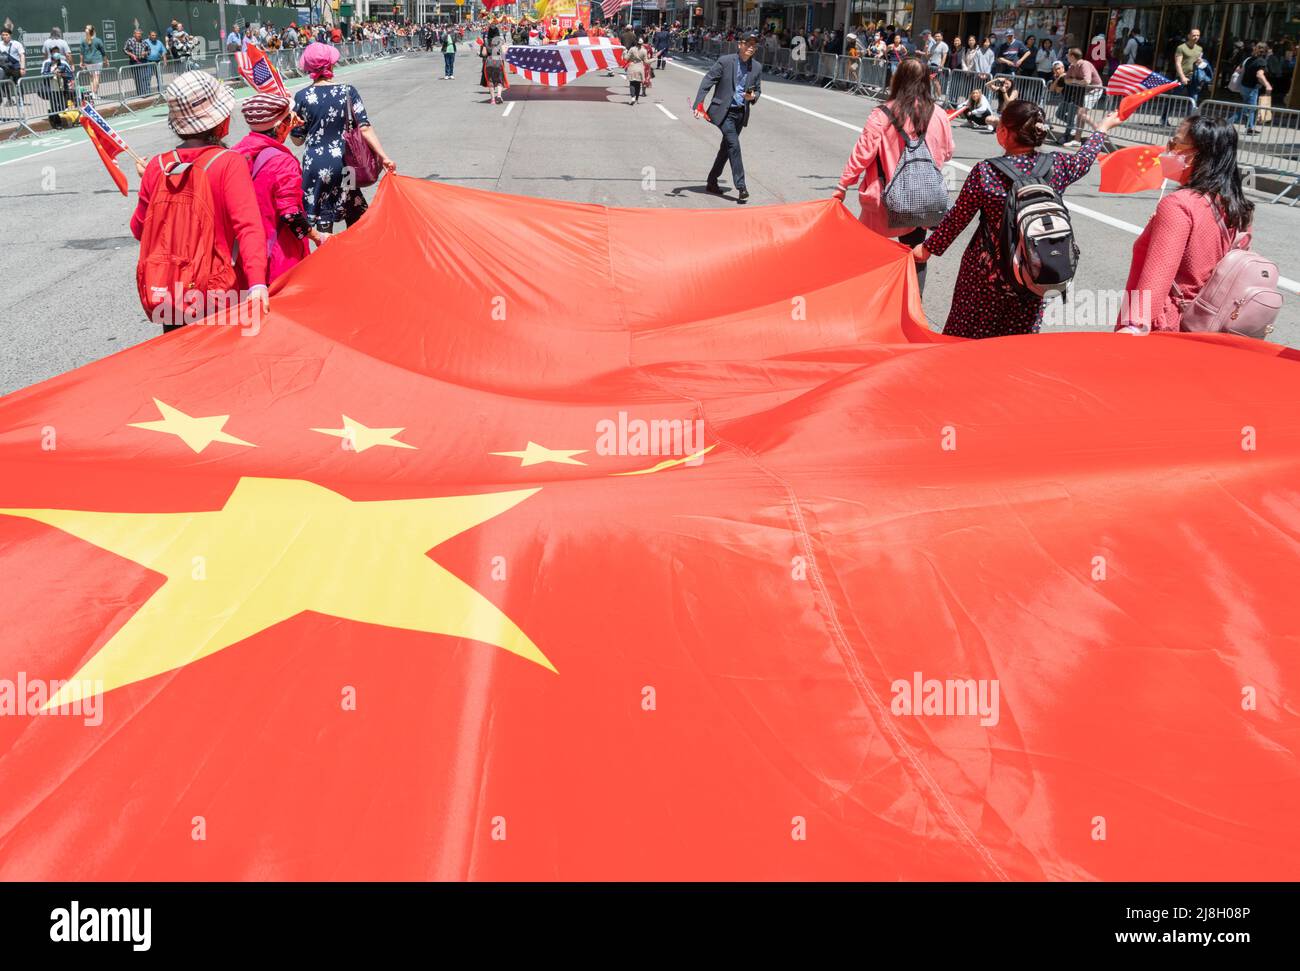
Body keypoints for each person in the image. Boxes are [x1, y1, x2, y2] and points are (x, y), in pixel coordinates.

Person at [913, 100, 1122, 338]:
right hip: (1032, 274)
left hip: (985, 278)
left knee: (967, 342)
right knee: (1015, 346)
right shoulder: (1058, 165)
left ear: (1003, 132)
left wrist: (927, 249)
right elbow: (1084, 159)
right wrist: (1103, 128)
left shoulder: (986, 173)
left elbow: (956, 220)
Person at [130, 71, 267, 331]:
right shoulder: (229, 163)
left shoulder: (157, 166)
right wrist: (258, 283)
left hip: (171, 293)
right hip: (220, 290)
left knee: (182, 364)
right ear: (222, 122)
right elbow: (248, 227)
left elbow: (139, 229)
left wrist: (150, 180)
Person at [1116, 116, 1256, 334]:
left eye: (1174, 143)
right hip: (1210, 326)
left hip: (1166, 325)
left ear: (1196, 153)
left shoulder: (1179, 205)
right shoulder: (1238, 208)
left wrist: (1134, 326)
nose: (1167, 150)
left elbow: (1158, 274)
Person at [832, 56, 953, 294]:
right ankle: (911, 304)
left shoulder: (883, 114)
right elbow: (948, 152)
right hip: (922, 198)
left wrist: (843, 185)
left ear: (897, 80)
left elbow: (862, 153)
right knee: (916, 254)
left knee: (871, 252)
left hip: (884, 199)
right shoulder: (938, 113)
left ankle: (872, 299)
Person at [291, 43, 396, 233]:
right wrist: (384, 156)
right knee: (353, 215)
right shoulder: (348, 92)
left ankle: (327, 258)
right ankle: (351, 258)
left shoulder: (301, 97)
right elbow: (364, 128)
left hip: (315, 166)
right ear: (331, 65)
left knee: (323, 222)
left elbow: (297, 140)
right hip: (346, 164)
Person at [233, 93, 328, 285]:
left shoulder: (236, 152)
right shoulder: (282, 162)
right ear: (280, 127)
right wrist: (318, 236)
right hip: (279, 257)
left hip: (246, 254)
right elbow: (290, 214)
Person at [692, 30, 763, 203]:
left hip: (740, 112)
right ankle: (741, 187)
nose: (750, 48)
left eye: (754, 45)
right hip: (723, 112)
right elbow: (708, 80)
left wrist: (752, 96)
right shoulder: (725, 61)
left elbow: (758, 90)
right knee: (734, 145)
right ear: (740, 44)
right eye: (748, 44)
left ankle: (712, 181)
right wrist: (699, 104)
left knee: (726, 148)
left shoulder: (757, 67)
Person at [1058, 47, 1101, 147]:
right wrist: (1076, 81)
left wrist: (1074, 80)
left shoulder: (1084, 64)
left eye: (1068, 55)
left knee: (1081, 113)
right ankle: (1077, 140)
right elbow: (1066, 80)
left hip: (1094, 90)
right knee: (1080, 114)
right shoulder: (1072, 66)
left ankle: (1100, 131)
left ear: (1072, 56)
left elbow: (1087, 81)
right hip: (1083, 91)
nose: (1066, 56)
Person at [1234, 42, 1273, 135]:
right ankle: (1227, 123)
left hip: (1244, 86)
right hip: (1252, 88)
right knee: (1249, 108)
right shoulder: (1261, 61)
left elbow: (1237, 70)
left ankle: (1250, 128)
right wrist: (1267, 84)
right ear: (1266, 51)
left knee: (1249, 108)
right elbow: (1259, 74)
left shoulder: (1249, 59)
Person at [481, 26, 506, 104]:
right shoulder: (500, 41)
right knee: (499, 79)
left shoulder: (486, 41)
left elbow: (484, 53)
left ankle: (492, 100)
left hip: (489, 61)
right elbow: (504, 52)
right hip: (498, 60)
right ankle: (498, 95)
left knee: (490, 80)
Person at [80, 24, 106, 99]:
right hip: (97, 61)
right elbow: (103, 52)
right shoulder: (98, 40)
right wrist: (106, 60)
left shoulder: (83, 41)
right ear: (93, 31)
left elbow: (81, 53)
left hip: (88, 62)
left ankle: (93, 94)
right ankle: (95, 94)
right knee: (96, 77)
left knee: (91, 78)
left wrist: (81, 62)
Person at [124, 28, 152, 97]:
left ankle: (147, 92)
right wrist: (131, 55)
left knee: (146, 77)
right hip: (134, 62)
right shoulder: (130, 41)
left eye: (140, 34)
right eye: (138, 34)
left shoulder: (144, 42)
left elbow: (149, 50)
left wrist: (145, 53)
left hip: (144, 61)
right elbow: (124, 49)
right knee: (138, 78)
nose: (139, 35)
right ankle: (141, 94)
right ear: (134, 34)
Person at [0, 28, 24, 102]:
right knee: (3, 83)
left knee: (18, 84)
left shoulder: (16, 44)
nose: (4, 36)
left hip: (15, 67)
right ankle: (9, 99)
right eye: (3, 35)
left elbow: (22, 55)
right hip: (4, 68)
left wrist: (22, 68)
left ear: (10, 35)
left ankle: (21, 100)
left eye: (6, 35)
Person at [625, 36, 651, 105]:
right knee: (638, 84)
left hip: (632, 67)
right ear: (642, 43)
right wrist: (654, 59)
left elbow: (626, 58)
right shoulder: (644, 51)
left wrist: (624, 53)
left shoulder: (632, 49)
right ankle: (636, 99)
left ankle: (632, 97)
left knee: (632, 83)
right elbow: (646, 61)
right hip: (640, 68)